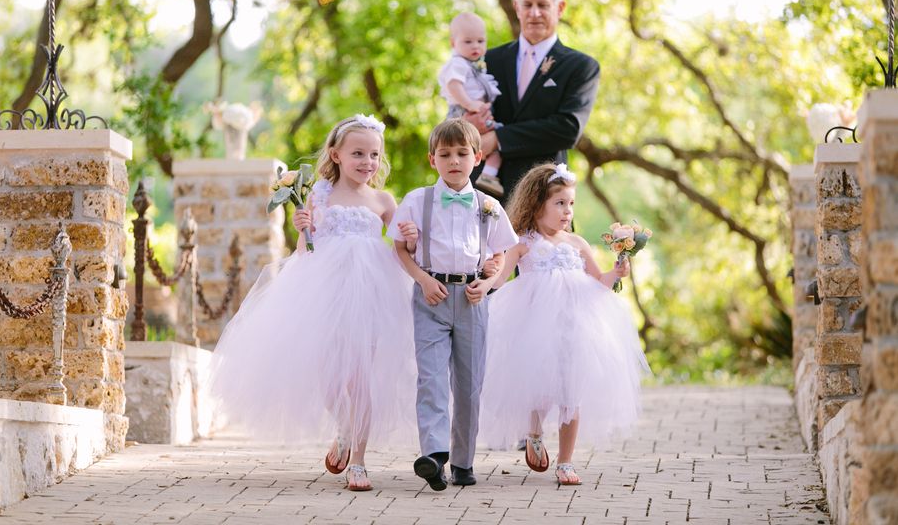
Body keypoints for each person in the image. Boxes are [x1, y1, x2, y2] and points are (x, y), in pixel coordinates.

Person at [208, 114, 417, 492]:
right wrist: (302, 226)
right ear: (336, 155)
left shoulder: (383, 199)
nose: (367, 162)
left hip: (372, 291)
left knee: (362, 378)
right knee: (329, 375)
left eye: (373, 155)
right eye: (358, 153)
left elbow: (404, 246)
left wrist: (411, 235)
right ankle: (344, 428)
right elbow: (306, 249)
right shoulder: (319, 194)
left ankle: (359, 460)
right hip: (327, 288)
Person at [480, 163, 649, 485]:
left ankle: (566, 461)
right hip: (536, 329)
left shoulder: (578, 243)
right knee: (540, 390)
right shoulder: (523, 243)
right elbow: (501, 278)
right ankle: (533, 432)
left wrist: (616, 273)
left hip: (577, 328)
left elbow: (598, 281)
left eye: (571, 203)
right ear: (536, 203)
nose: (567, 211)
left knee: (572, 393)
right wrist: (487, 276)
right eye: (559, 203)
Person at [388, 118, 518, 490]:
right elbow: (399, 247)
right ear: (433, 160)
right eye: (445, 154)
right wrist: (423, 280)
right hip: (432, 295)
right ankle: (434, 455)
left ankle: (463, 460)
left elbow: (503, 256)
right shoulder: (417, 201)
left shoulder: (489, 205)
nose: (454, 161)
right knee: (430, 378)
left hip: (473, 299)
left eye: (462, 153)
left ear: (477, 157)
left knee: (469, 384)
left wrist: (489, 283)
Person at [465, 0, 601, 203]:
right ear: (517, 8)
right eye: (527, 5)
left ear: (559, 8)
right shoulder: (488, 60)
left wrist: (499, 138)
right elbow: (462, 113)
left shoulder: (581, 66)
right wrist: (465, 124)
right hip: (483, 193)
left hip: (544, 197)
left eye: (543, 5)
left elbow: (567, 128)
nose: (534, 13)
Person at [437, 12, 504, 197]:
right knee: (465, 145)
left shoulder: (474, 64)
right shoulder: (457, 64)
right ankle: (457, 182)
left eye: (480, 41)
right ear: (453, 43)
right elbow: (453, 85)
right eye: (468, 42)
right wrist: (470, 103)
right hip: (461, 111)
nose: (475, 46)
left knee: (498, 140)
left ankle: (488, 177)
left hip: (477, 112)